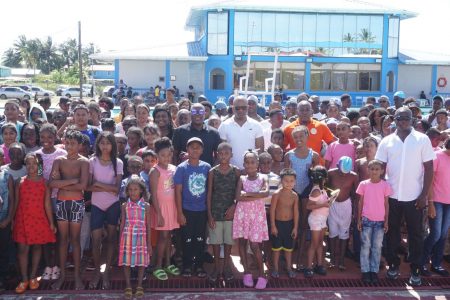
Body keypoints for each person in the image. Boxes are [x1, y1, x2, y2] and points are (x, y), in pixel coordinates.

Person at [375, 107, 435, 286]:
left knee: (416, 234)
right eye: (400, 118)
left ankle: (416, 268)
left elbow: (429, 168)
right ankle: (393, 264)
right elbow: (381, 168)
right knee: (391, 232)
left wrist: (424, 195)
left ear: (413, 120)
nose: (403, 122)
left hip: (415, 196)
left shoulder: (422, 139)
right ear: (394, 119)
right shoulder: (386, 141)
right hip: (391, 197)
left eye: (406, 118)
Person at [49, 130, 89, 290]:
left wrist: (62, 182)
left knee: (75, 239)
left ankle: (77, 276)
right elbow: (51, 184)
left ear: (80, 145)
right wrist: (72, 180)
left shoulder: (84, 162)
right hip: (61, 203)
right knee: (63, 240)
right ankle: (63, 276)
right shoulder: (58, 160)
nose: (69, 146)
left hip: (76, 204)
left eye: (73, 143)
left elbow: (83, 186)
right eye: (67, 142)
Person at [12, 153, 56, 294]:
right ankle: (24, 279)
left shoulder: (44, 182)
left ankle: (32, 278)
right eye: (29, 163)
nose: (31, 166)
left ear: (39, 165)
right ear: (26, 165)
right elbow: (15, 203)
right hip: (23, 220)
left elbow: (47, 204)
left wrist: (51, 223)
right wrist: (12, 220)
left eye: (34, 163)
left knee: (37, 248)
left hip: (38, 220)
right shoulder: (20, 181)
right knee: (22, 250)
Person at [88, 132, 124, 290]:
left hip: (112, 205)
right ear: (98, 144)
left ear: (112, 145)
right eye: (102, 143)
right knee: (95, 241)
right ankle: (97, 270)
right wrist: (103, 187)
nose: (105, 146)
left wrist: (99, 184)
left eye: (108, 143)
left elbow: (116, 190)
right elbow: (88, 186)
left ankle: (107, 270)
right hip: (96, 205)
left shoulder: (118, 162)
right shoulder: (92, 161)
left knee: (111, 239)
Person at [284, 126, 319, 269]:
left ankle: (299, 259)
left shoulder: (314, 155)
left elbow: (317, 178)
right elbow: (285, 176)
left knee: (304, 225)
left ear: (307, 136)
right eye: (295, 137)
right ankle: (289, 258)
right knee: (292, 224)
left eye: (301, 137)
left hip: (307, 192)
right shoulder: (289, 155)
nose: (298, 140)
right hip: (292, 193)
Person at [175, 137, 211, 278]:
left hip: (202, 210)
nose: (195, 149)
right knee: (187, 239)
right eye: (191, 147)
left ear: (202, 150)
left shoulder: (207, 167)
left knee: (200, 239)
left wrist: (209, 212)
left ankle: (199, 265)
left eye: (198, 147)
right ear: (187, 149)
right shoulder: (181, 168)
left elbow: (209, 190)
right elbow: (177, 191)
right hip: (186, 210)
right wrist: (180, 212)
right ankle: (187, 265)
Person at [233, 150, 269, 289]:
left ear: (257, 163)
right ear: (243, 164)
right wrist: (256, 196)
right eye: (247, 162)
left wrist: (247, 194)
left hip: (257, 216)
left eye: (253, 161)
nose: (250, 164)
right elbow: (238, 197)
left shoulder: (263, 178)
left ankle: (262, 274)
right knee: (242, 243)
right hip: (242, 214)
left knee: (254, 245)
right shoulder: (242, 179)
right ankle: (246, 273)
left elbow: (265, 193)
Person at [206, 142, 240, 282]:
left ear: (231, 155)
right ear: (216, 154)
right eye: (220, 153)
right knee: (215, 241)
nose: (223, 156)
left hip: (230, 213)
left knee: (228, 242)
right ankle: (217, 267)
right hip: (215, 212)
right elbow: (209, 194)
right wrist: (209, 215)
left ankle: (226, 267)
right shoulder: (212, 172)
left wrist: (234, 206)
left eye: (226, 153)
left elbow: (239, 193)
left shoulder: (236, 171)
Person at [149, 137, 180, 281]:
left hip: (172, 207)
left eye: (169, 155)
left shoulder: (174, 169)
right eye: (163, 155)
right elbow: (153, 195)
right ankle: (158, 266)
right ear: (157, 156)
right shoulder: (155, 171)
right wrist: (159, 214)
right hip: (161, 209)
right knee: (163, 237)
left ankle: (168, 263)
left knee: (169, 237)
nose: (166, 158)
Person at [356, 159, 391, 284]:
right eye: (372, 169)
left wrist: (386, 221)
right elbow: (360, 202)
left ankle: (374, 271)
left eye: (377, 169)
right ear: (368, 170)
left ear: (382, 171)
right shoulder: (363, 184)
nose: (374, 171)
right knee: (365, 246)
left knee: (377, 247)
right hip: (366, 220)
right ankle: (365, 271)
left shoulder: (385, 185)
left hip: (380, 222)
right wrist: (359, 219)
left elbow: (386, 204)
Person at [420, 138, 450, 277]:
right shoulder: (437, 156)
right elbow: (430, 181)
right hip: (436, 201)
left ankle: (436, 264)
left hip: (449, 203)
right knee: (435, 234)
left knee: (443, 235)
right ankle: (422, 262)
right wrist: (430, 202)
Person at [119, 176, 152, 299]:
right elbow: (122, 223)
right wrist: (120, 240)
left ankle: (139, 286)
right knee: (126, 262)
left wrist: (149, 243)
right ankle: (128, 285)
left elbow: (148, 225)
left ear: (141, 191)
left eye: (135, 189)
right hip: (127, 238)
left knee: (141, 262)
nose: (133, 192)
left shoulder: (146, 206)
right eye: (130, 190)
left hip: (141, 238)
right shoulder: (124, 205)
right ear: (127, 191)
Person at [327, 156, 358, 270]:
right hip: (333, 205)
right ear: (337, 166)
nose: (344, 175)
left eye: (347, 172)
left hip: (346, 206)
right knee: (333, 232)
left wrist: (356, 210)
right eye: (342, 172)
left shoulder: (354, 176)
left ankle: (341, 260)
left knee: (344, 234)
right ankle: (333, 259)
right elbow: (325, 188)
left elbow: (356, 195)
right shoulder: (330, 173)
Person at [218, 96, 264, 169]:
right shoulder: (224, 126)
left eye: (244, 108)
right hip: (230, 171)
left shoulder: (257, 125)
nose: (241, 110)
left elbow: (260, 150)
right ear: (233, 109)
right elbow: (222, 151)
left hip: (250, 171)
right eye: (237, 108)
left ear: (248, 108)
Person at [270, 168, 299, 279]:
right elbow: (272, 210)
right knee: (276, 249)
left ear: (295, 181)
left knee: (288, 249)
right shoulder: (277, 194)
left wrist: (295, 228)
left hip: (289, 225)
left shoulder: (295, 196)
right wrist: (273, 226)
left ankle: (289, 268)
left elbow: (296, 212)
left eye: (291, 181)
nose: (289, 183)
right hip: (278, 224)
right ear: (281, 181)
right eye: (286, 180)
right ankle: (275, 269)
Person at [304, 166, 330, 278]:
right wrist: (324, 204)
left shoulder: (322, 189)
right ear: (323, 178)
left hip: (322, 219)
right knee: (314, 244)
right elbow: (309, 206)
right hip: (316, 219)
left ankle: (319, 264)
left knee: (320, 243)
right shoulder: (316, 190)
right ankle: (309, 267)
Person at [0, 153, 15, 290]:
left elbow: (11, 200)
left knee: (4, 249)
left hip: (3, 218)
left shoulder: (6, 176)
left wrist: (9, 218)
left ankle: (3, 278)